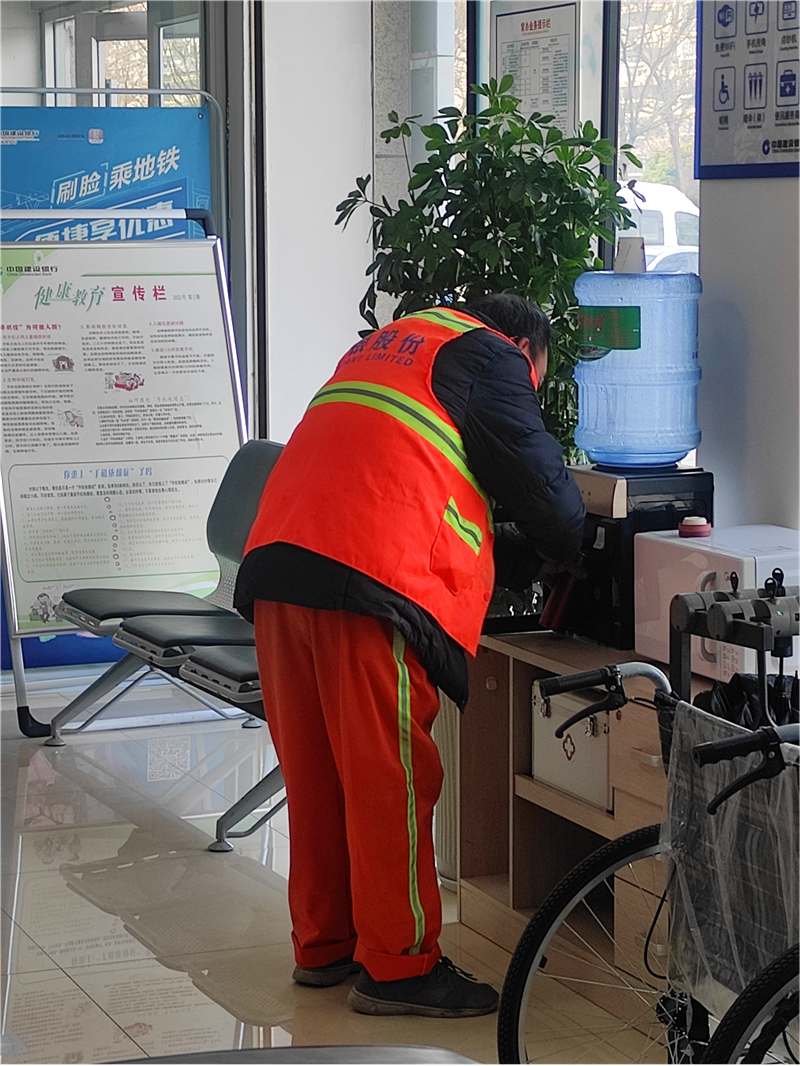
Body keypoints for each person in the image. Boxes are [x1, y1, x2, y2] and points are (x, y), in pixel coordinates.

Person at [234, 294, 585, 1018]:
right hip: (371, 581)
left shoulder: (393, 343)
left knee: (316, 773)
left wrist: (517, 558)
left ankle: (324, 946)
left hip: (278, 566)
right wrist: (574, 549)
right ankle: (399, 968)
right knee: (386, 781)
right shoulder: (494, 357)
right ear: (525, 349)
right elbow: (553, 505)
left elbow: (409, 476)